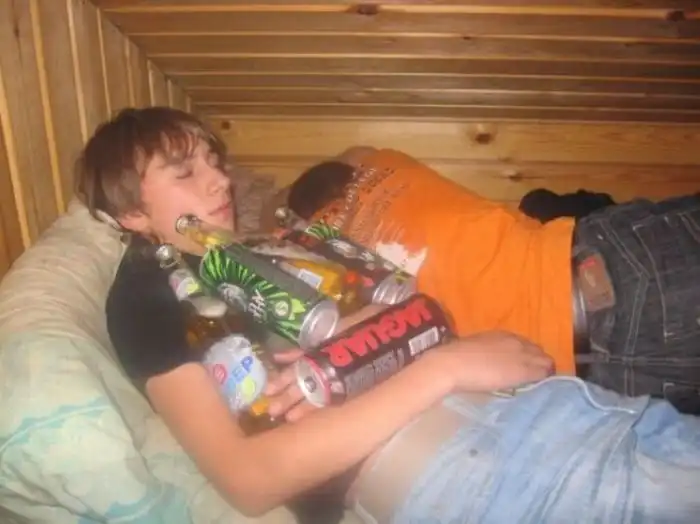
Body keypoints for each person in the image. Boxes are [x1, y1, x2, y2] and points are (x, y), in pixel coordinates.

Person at [77, 107, 700, 523]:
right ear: (131, 212)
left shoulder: (265, 252)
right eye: (186, 172)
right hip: (470, 472)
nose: (220, 181)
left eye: (215, 162)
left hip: (556, 406)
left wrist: (402, 335)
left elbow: (408, 313)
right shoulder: (144, 299)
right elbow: (250, 480)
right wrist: (445, 369)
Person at [268, 151, 700, 415]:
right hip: (610, 249)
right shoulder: (382, 164)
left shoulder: (330, 274)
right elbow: (353, 152)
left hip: (610, 317)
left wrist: (283, 230)